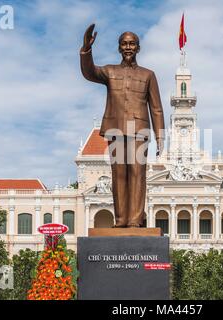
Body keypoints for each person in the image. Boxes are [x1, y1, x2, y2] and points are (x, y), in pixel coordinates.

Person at [80, 24, 165, 228]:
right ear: (119, 48)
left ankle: (135, 220)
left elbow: (156, 108)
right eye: (124, 44)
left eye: (132, 44)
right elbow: (89, 72)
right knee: (118, 174)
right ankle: (121, 220)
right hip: (116, 129)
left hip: (139, 130)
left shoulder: (148, 75)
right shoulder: (110, 71)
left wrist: (160, 135)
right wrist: (86, 50)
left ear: (138, 48)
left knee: (137, 173)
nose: (128, 47)